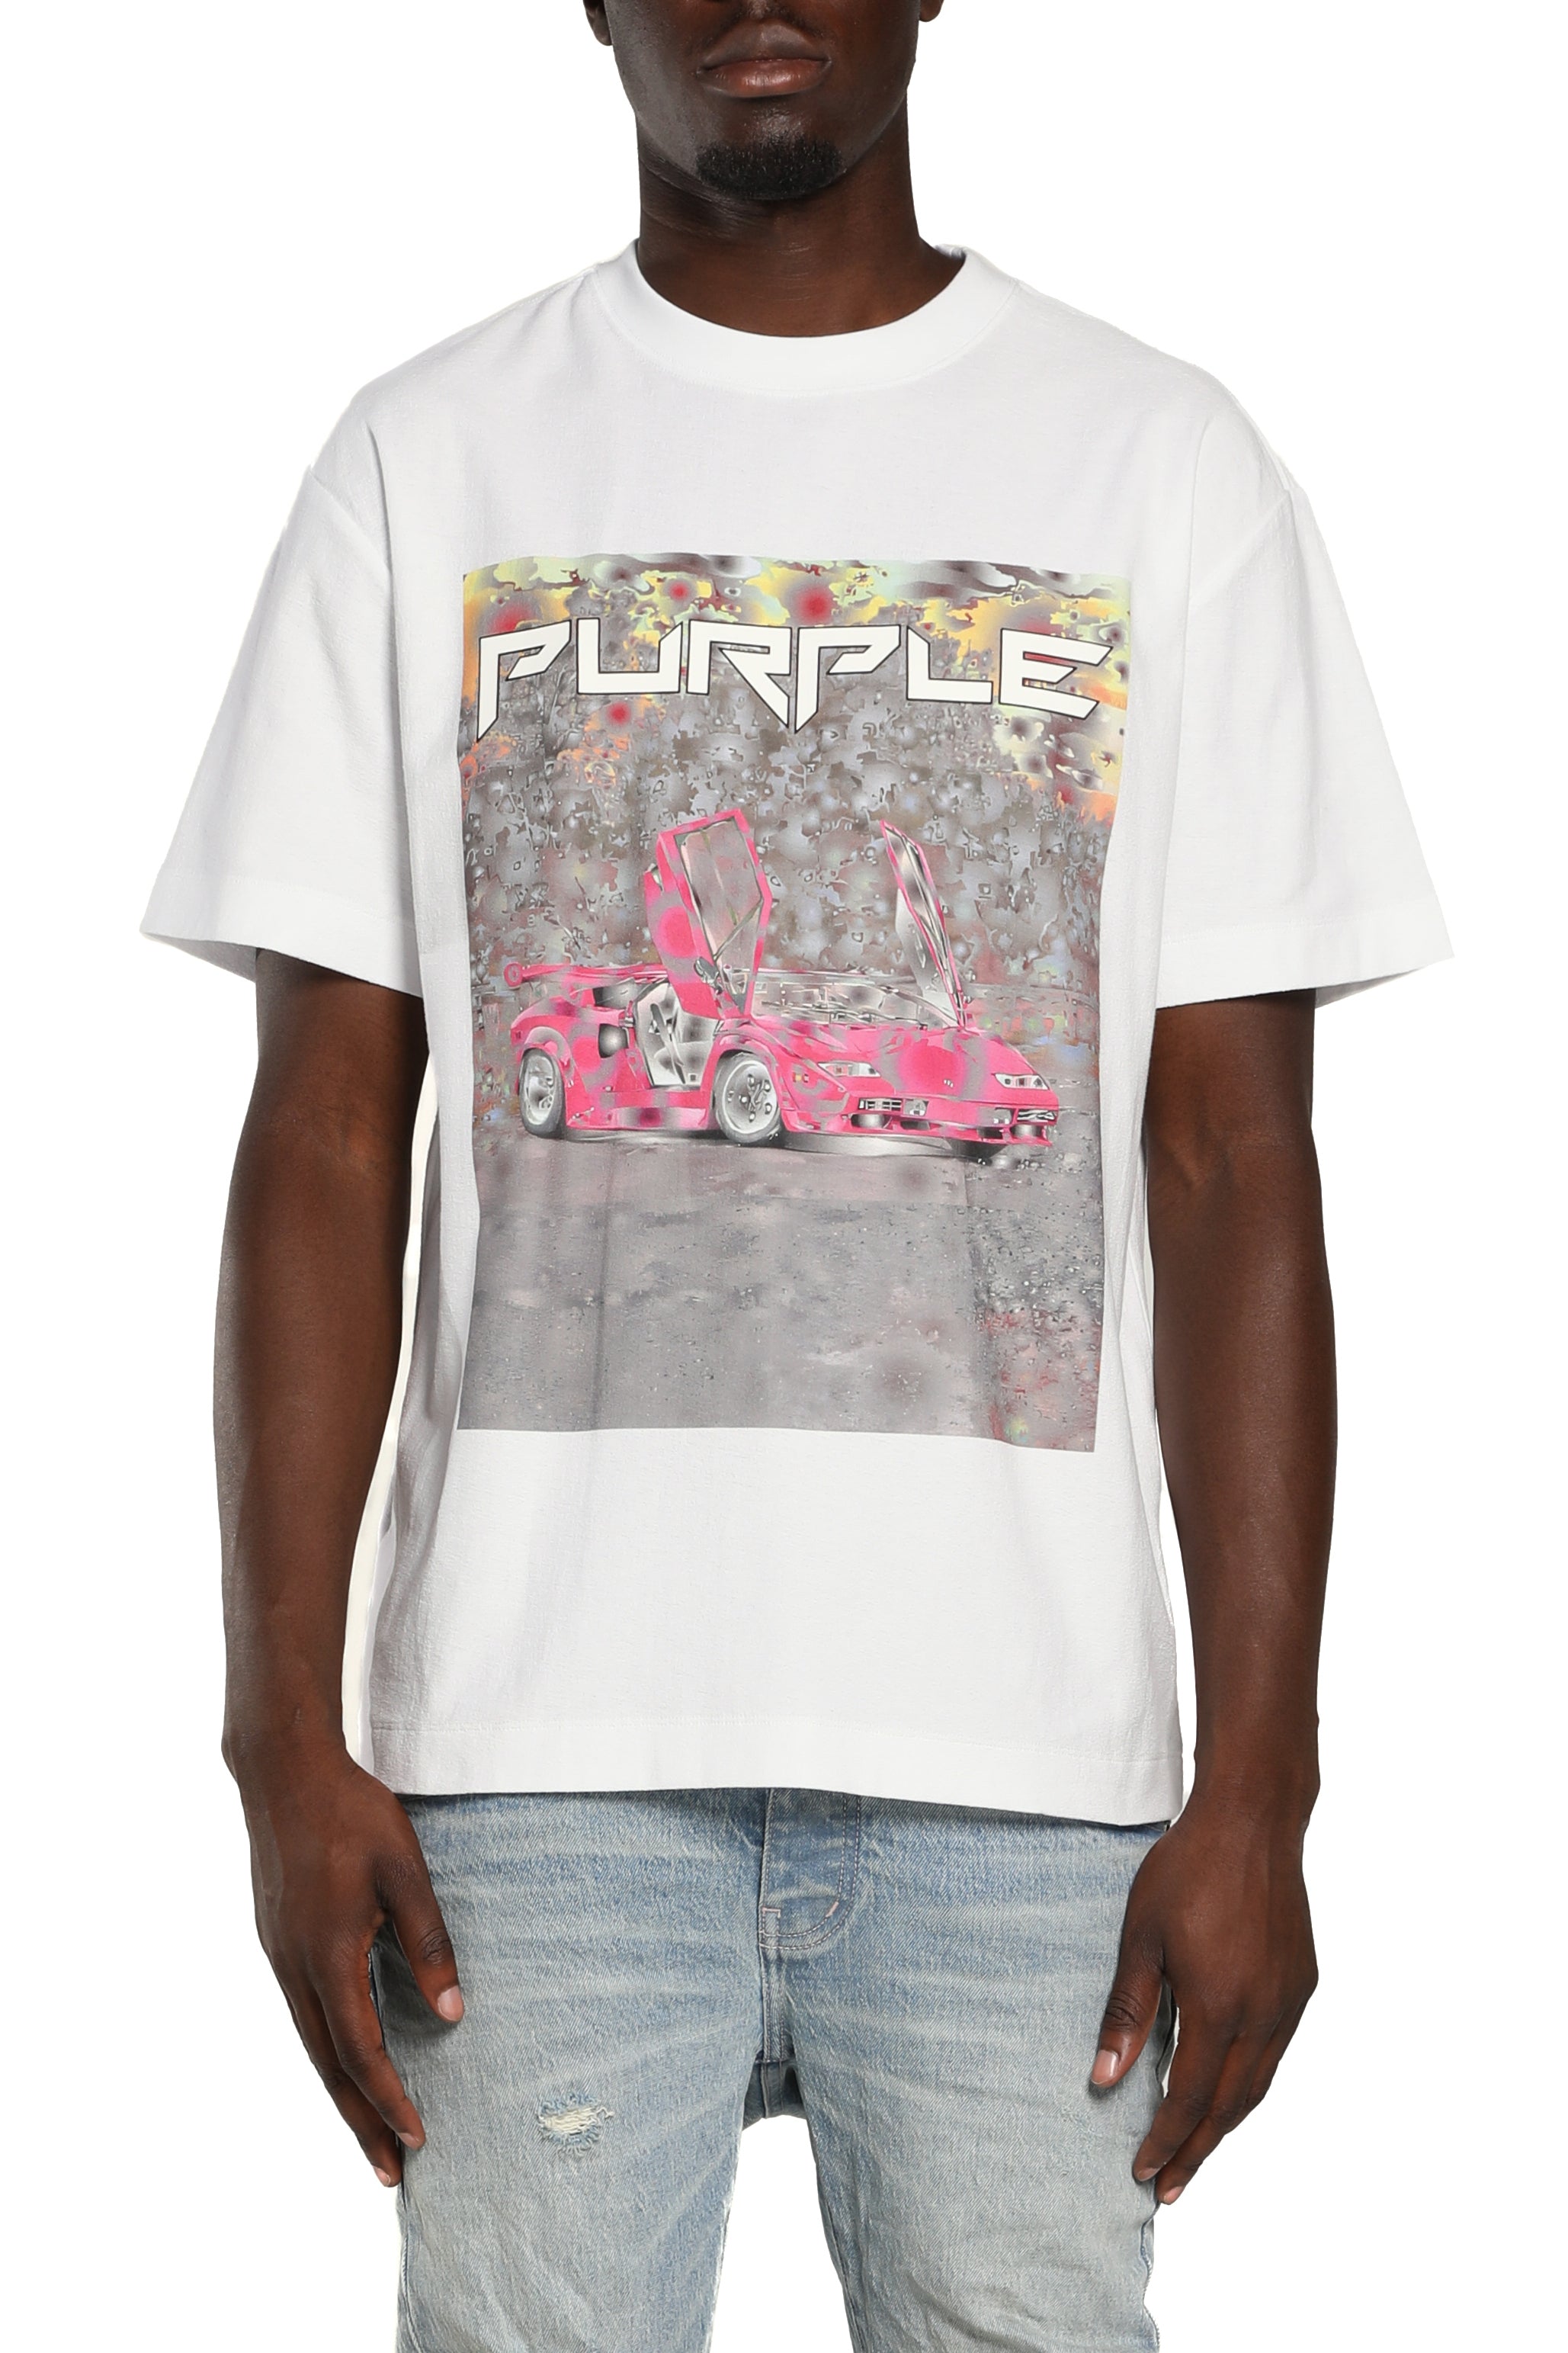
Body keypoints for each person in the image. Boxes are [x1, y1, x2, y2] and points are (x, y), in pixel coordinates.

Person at [143, 4, 1448, 2346]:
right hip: (528, 1762)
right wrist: (276, 1742)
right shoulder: (428, 454)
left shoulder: (1158, 459)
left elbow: (1234, 1158)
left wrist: (1262, 1778)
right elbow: (326, 1131)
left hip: (1023, 1767)